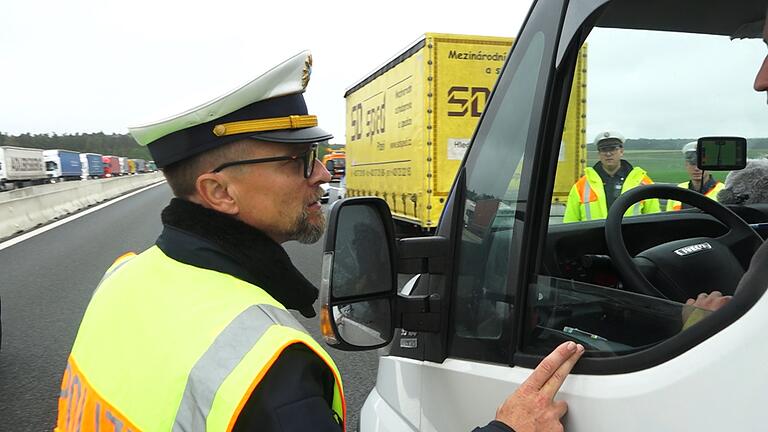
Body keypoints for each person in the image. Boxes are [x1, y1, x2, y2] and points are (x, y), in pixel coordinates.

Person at [54, 51, 584, 432]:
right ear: (219, 191)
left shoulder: (123, 277)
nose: (322, 177)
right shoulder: (266, 364)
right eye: (298, 161)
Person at [564, 131, 660, 223]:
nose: (608, 154)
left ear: (621, 151)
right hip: (593, 239)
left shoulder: (642, 183)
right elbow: (569, 222)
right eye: (604, 150)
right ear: (599, 154)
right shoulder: (581, 186)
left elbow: (654, 220)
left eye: (613, 148)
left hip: (630, 239)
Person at [666, 141, 725, 211]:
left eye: (701, 164)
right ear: (686, 165)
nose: (697, 168)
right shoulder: (677, 190)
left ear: (710, 166)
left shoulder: (723, 191)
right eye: (693, 164)